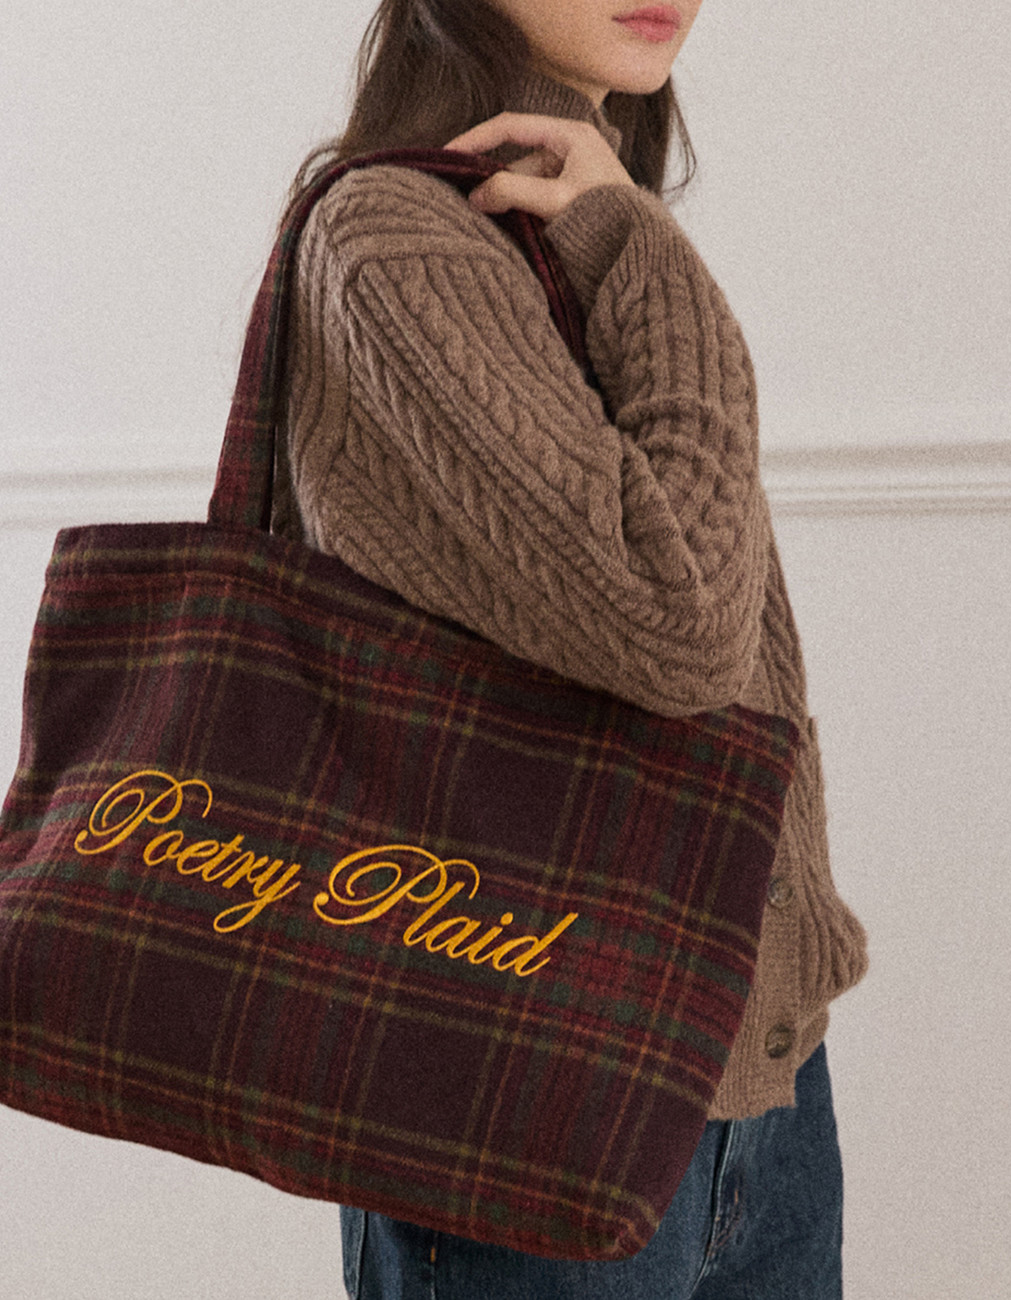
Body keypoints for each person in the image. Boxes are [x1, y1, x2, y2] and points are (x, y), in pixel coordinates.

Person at [275, 1, 868, 1295]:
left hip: (758, 1087)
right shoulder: (391, 239)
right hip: (531, 1106)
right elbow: (683, 625)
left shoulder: (569, 224)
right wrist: (647, 255)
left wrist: (620, 233)